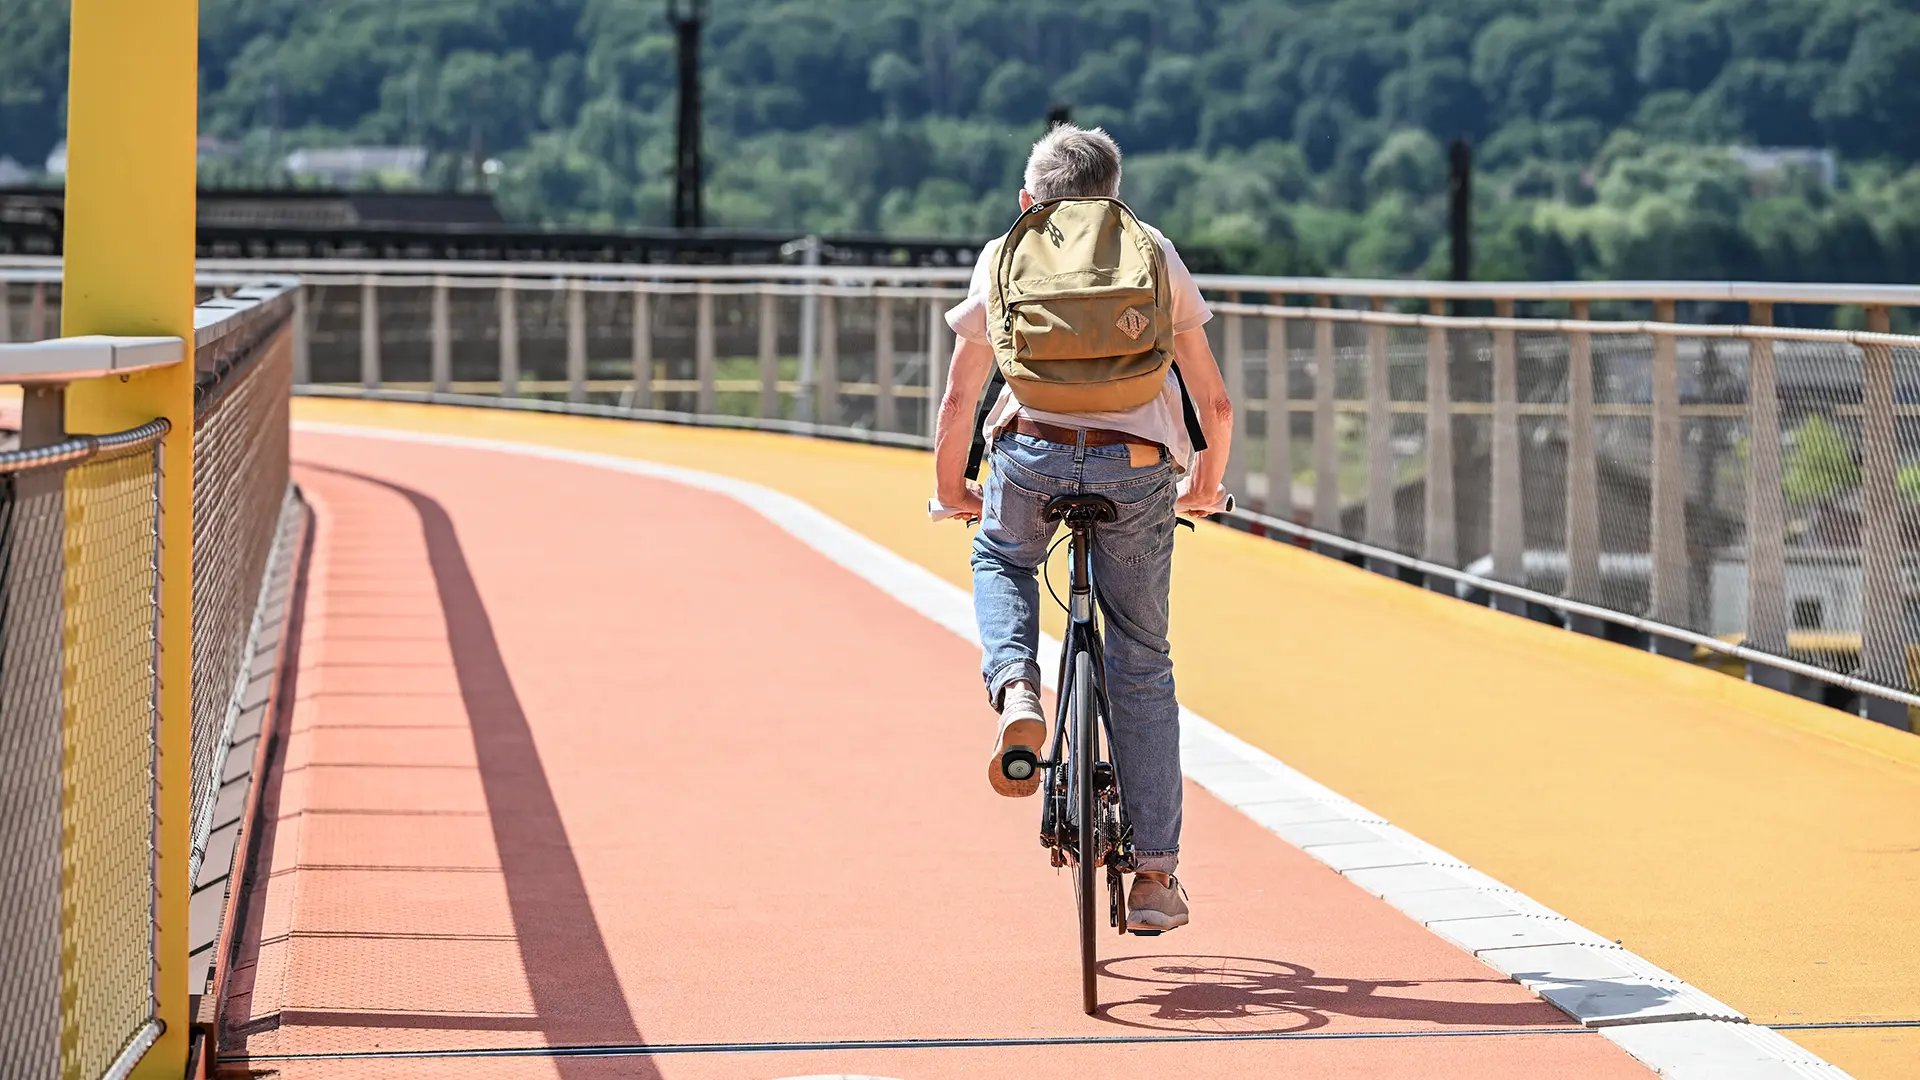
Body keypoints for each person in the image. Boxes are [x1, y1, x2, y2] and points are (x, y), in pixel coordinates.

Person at [931, 124, 1233, 934]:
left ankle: (1018, 687)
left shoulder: (1005, 251)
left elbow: (962, 399)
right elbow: (1216, 402)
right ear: (1115, 195)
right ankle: (1155, 878)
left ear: (1030, 199)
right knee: (1142, 662)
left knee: (1000, 553)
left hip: (1031, 453)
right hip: (1136, 470)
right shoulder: (1152, 250)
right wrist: (1205, 485)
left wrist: (950, 485)